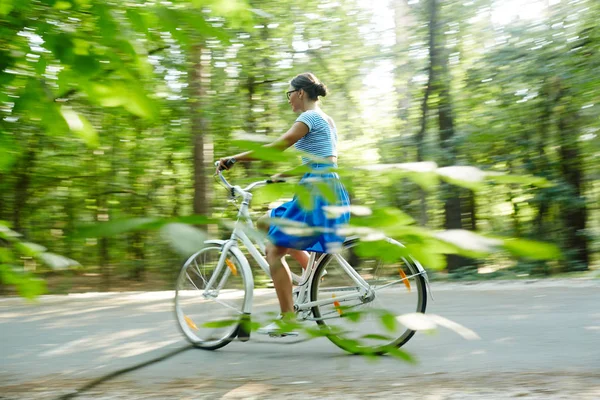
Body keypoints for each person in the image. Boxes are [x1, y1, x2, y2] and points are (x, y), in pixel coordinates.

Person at [217, 72, 350, 335]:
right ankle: (310, 274)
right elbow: (324, 161)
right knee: (265, 223)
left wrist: (234, 158)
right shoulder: (327, 120)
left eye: (289, 93)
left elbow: (277, 146)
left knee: (274, 251)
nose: (288, 99)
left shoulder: (309, 117)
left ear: (300, 93)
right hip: (324, 187)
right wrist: (283, 176)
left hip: (316, 192)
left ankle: (287, 318)